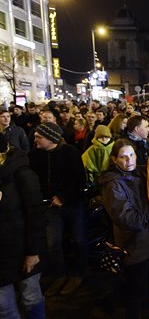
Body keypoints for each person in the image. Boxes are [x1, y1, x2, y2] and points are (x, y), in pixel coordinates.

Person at [99, 139, 149, 319]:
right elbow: (127, 218)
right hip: (135, 246)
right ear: (114, 160)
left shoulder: (141, 173)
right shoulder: (113, 184)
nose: (129, 160)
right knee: (135, 291)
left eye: (132, 155)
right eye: (123, 157)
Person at [28, 122, 88, 296]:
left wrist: (63, 197)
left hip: (73, 204)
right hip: (48, 207)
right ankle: (60, 275)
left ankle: (78, 273)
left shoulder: (70, 153)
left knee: (79, 240)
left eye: (39, 137)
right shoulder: (34, 155)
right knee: (52, 244)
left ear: (51, 139)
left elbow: (79, 181)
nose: (35, 139)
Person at [0, 133, 46, 319]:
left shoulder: (22, 174)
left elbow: (35, 214)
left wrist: (33, 252)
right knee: (4, 307)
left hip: (23, 250)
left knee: (30, 297)